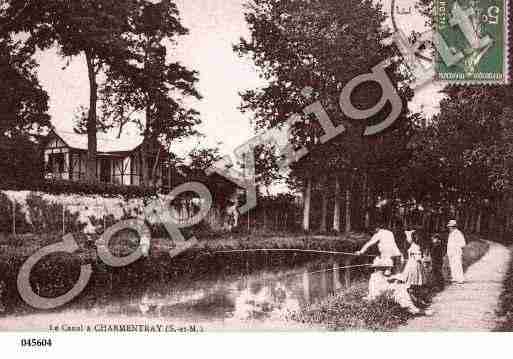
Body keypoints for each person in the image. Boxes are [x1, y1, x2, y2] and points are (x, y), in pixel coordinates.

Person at [447, 219, 466, 284]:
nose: (449, 228)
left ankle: (460, 279)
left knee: (458, 265)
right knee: (452, 265)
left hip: (456, 252)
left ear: (453, 227)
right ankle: (454, 277)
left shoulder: (458, 233)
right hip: (451, 252)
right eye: (449, 227)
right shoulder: (451, 234)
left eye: (450, 227)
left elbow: (463, 243)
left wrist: (456, 247)